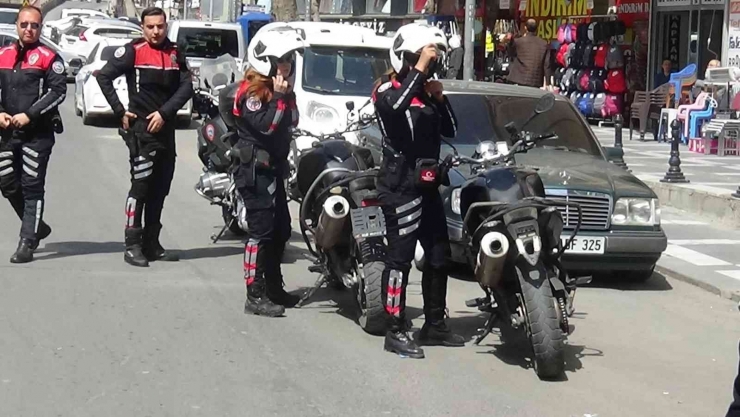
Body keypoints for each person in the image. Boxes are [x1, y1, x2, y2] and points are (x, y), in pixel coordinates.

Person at [372, 23, 464, 359]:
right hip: (399, 188)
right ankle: (394, 329)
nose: (426, 65)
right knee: (400, 260)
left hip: (426, 186)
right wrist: (420, 69)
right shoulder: (386, 90)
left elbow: (451, 130)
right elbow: (395, 109)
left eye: (429, 59)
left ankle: (435, 323)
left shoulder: (424, 93)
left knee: (439, 256)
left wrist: (440, 99)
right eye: (419, 58)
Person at [97, 7, 193, 267]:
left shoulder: (175, 52)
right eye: (150, 27)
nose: (155, 31)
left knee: (160, 189)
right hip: (142, 133)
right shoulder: (133, 50)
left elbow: (187, 86)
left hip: (167, 131)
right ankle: (133, 244)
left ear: (166, 26)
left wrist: (165, 113)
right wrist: (120, 111)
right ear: (143, 27)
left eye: (160, 26)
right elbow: (103, 76)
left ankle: (152, 243)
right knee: (140, 188)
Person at [233, 26, 305, 317]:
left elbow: (293, 120)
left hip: (274, 169)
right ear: (267, 60)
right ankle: (255, 294)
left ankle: (274, 287)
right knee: (260, 234)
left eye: (289, 58)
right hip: (255, 170)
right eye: (281, 58)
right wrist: (278, 97)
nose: (286, 64)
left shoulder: (282, 89)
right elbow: (267, 126)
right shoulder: (251, 91)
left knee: (280, 231)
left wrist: (285, 97)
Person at [0, 6, 66, 263]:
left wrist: (30, 114)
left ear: (41, 28)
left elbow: (58, 91)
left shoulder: (50, 57)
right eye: (25, 24)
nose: (29, 29)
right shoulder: (4, 54)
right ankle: (37, 226)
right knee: (6, 182)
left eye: (35, 25)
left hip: (37, 134)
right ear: (17, 25)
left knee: (31, 187)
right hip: (7, 133)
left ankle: (27, 240)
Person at [506, 19, 551, 88]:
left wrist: (510, 42)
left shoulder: (519, 42)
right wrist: (548, 82)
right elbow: (547, 65)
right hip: (536, 81)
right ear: (537, 28)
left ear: (525, 28)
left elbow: (510, 54)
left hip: (519, 79)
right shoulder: (544, 44)